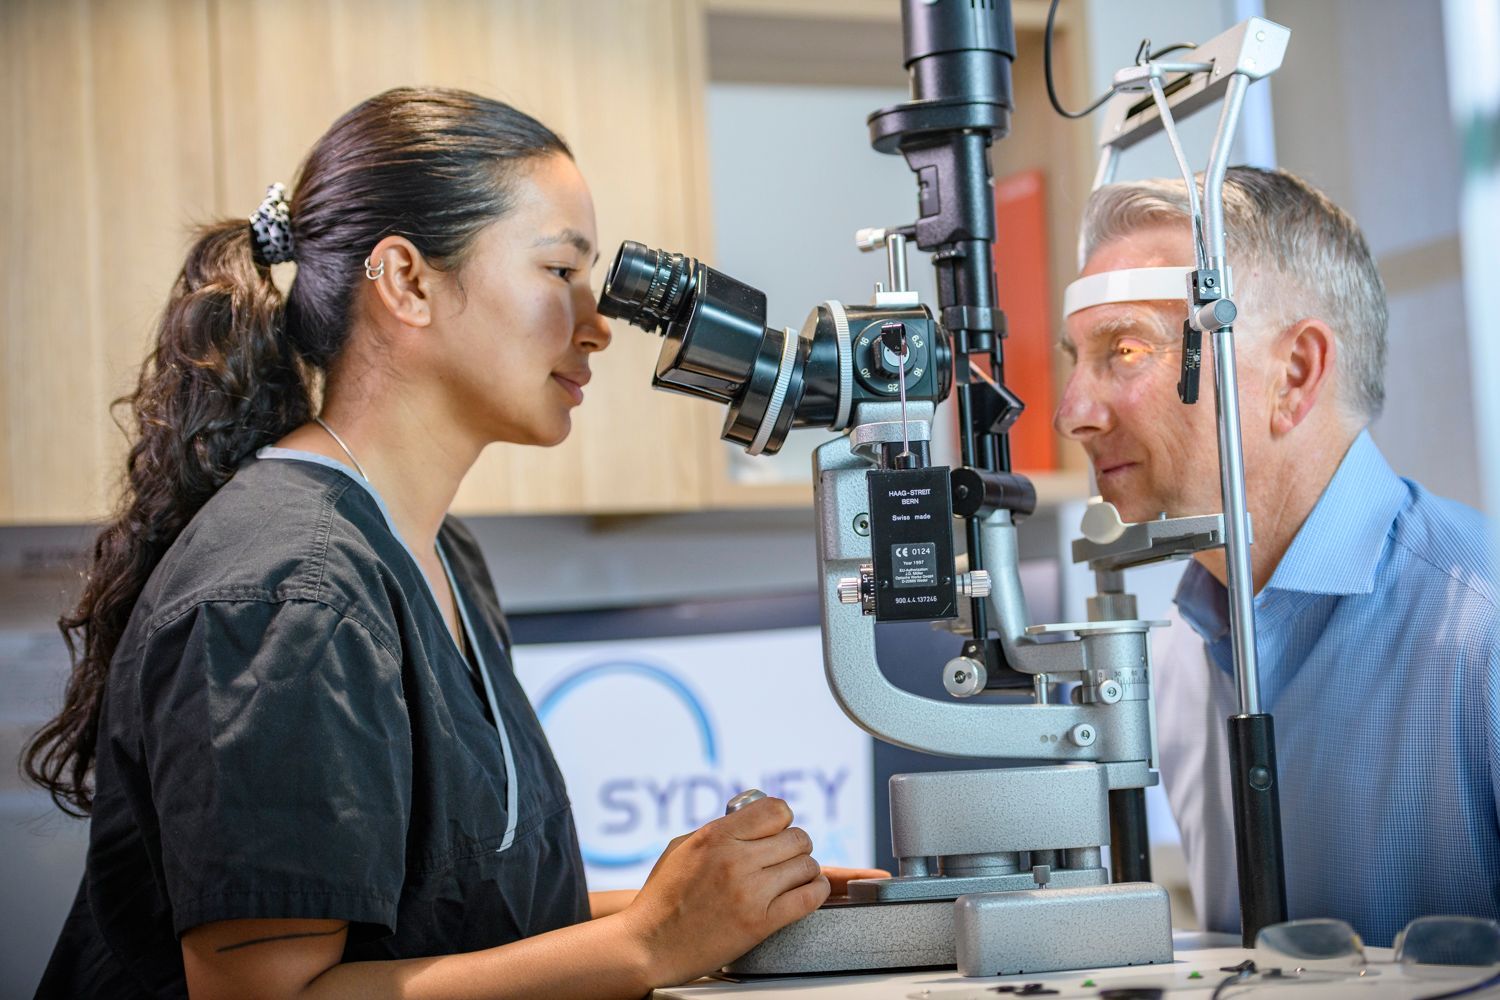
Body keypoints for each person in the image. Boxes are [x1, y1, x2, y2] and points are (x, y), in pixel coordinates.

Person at [24, 87, 870, 999]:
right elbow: (271, 997)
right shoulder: (290, 591)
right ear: (407, 282)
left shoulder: (436, 552)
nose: (597, 328)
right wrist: (647, 944)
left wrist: (726, 911)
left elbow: (456, 925)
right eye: (559, 270)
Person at [1053, 166, 1499, 946]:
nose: (1073, 413)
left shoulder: (1481, 629)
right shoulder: (1187, 651)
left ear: (1293, 376)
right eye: (1076, 359)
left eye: (1125, 349)